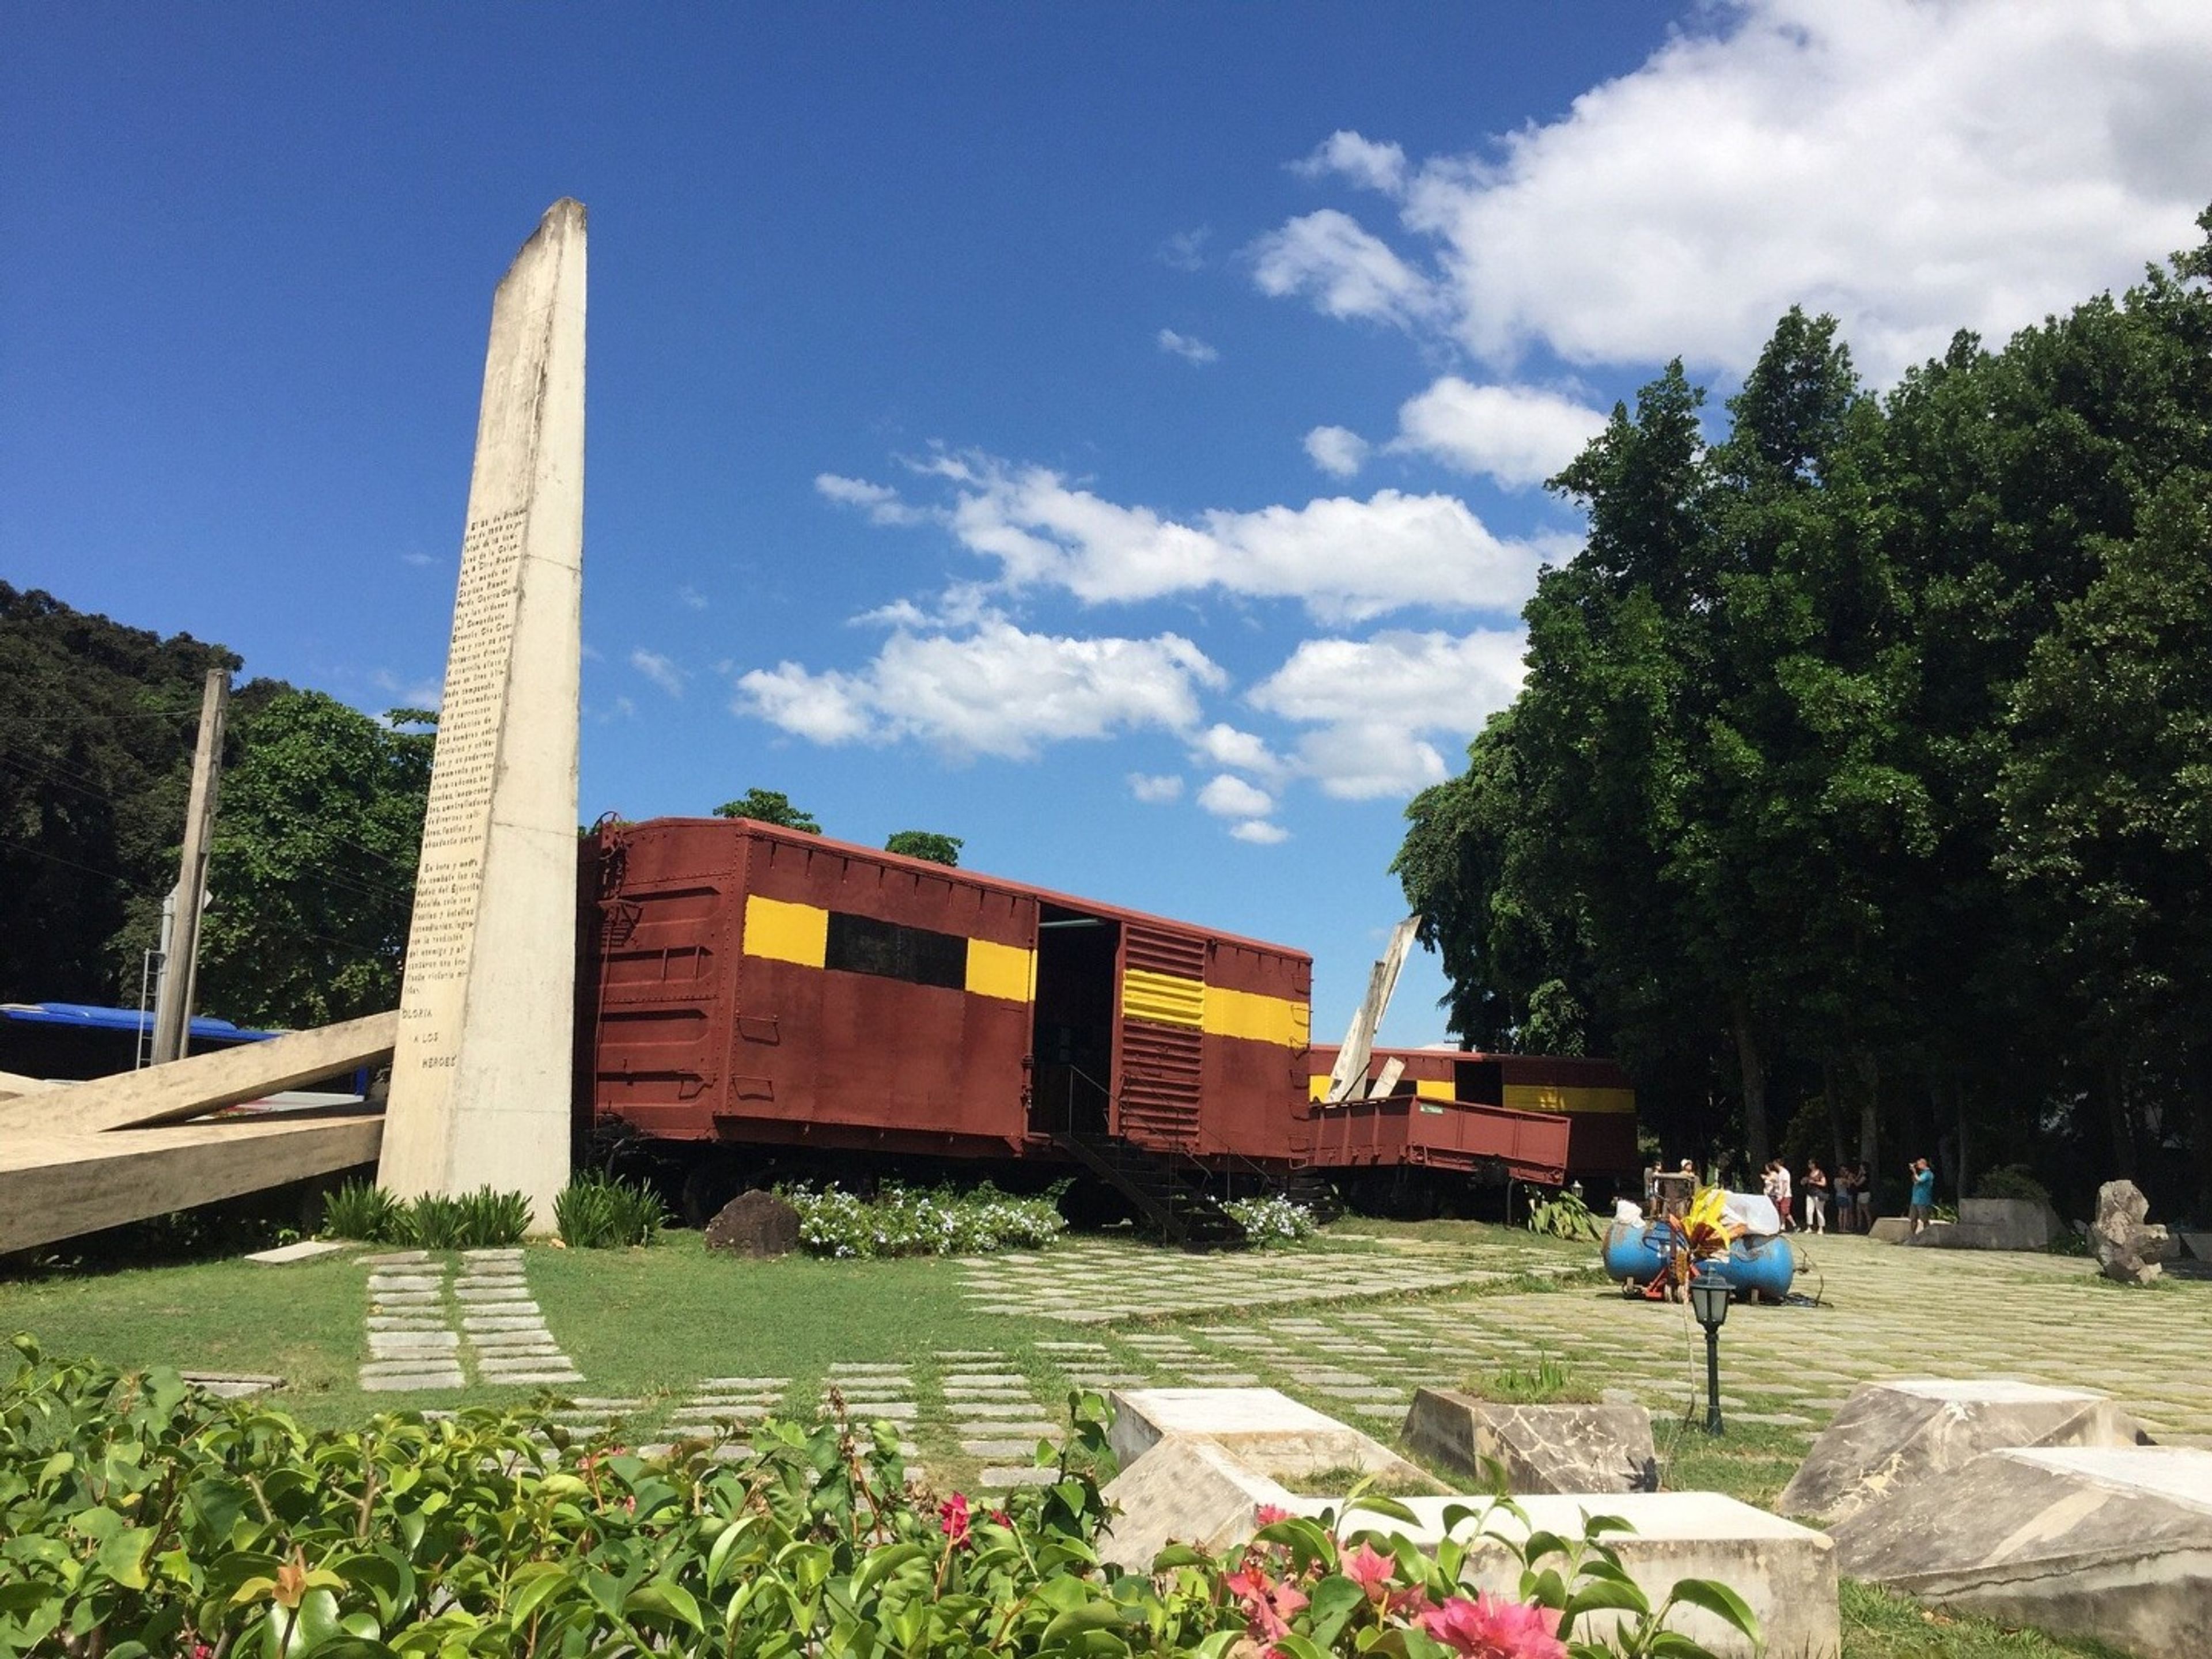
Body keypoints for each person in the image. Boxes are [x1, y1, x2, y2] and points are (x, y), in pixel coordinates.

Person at [1908, 1157, 1937, 1233]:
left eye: (1919, 1164)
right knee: (1913, 1219)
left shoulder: (1928, 1174)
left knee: (1925, 1220)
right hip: (1915, 1200)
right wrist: (1914, 1173)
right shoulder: (1921, 1174)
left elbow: (1919, 1180)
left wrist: (1914, 1172)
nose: (1918, 1166)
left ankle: (1927, 1235)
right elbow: (1915, 1181)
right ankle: (1912, 1235)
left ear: (1924, 1164)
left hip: (1923, 1201)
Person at [1803, 1160, 1828, 1234]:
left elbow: (1824, 1183)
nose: (1810, 1165)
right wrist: (1804, 1181)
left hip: (1818, 1194)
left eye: (1812, 1164)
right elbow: (1804, 1182)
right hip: (1810, 1194)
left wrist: (1814, 1182)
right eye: (1809, 1164)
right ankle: (1809, 1227)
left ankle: (1821, 1228)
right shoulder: (1808, 1173)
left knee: (1820, 1211)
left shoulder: (1820, 1173)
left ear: (1815, 1164)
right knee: (1809, 1211)